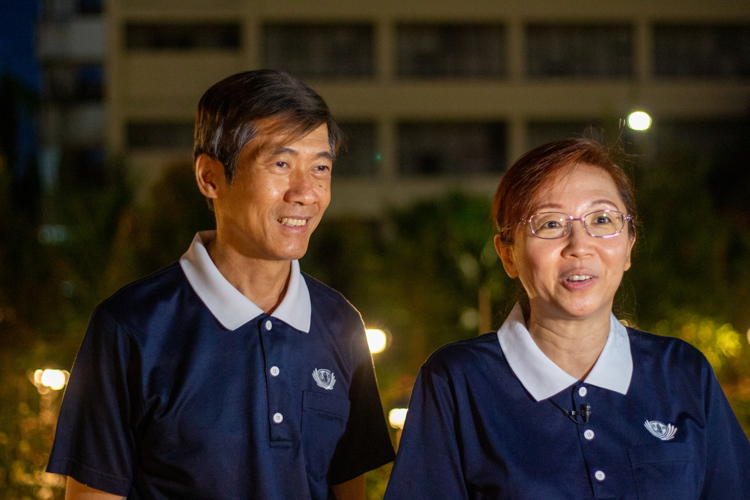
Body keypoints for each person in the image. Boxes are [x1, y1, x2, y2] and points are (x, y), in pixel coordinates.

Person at [47, 70, 395, 500]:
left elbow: (349, 493)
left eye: (320, 167)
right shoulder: (130, 326)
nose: (306, 192)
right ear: (210, 177)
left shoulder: (340, 324)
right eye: (281, 164)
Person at [384, 138, 750, 499]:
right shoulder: (456, 381)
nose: (579, 245)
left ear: (629, 247)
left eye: (602, 219)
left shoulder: (683, 373)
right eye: (550, 224)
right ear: (507, 254)